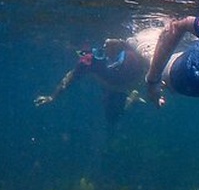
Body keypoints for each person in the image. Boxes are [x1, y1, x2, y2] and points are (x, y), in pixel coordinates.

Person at [34, 27, 163, 124]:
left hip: (129, 83)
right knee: (112, 118)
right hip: (114, 86)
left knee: (115, 115)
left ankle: (132, 98)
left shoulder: (132, 56)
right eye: (106, 47)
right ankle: (130, 101)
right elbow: (71, 76)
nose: (108, 48)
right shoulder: (90, 60)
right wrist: (53, 97)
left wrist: (156, 86)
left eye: (114, 47)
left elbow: (151, 67)